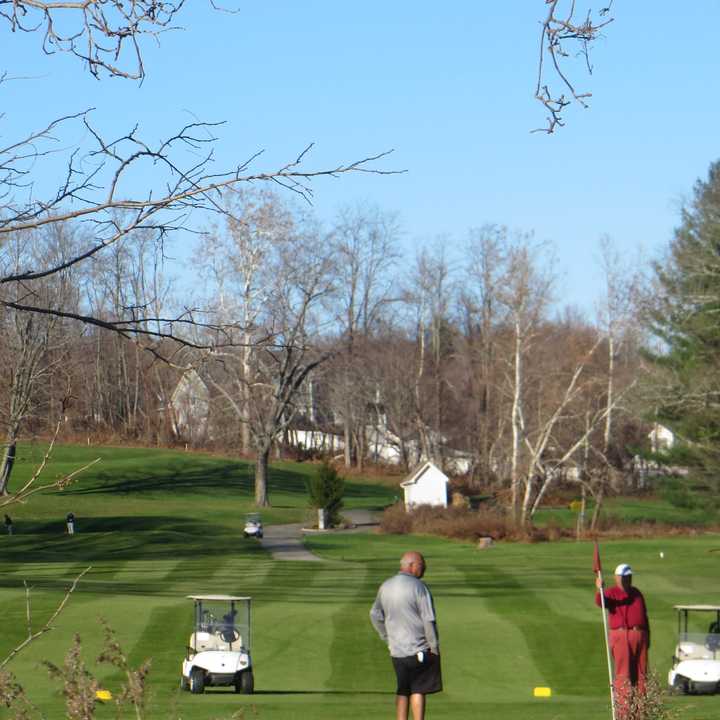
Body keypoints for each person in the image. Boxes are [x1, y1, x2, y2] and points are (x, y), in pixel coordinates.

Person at [370, 551, 442, 720]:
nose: (424, 568)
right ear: (411, 565)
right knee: (418, 688)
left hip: (396, 650)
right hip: (420, 651)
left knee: (403, 688)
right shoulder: (419, 587)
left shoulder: (386, 585)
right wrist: (434, 647)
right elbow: (428, 619)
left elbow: (374, 614)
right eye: (421, 564)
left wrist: (387, 637)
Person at [595, 563, 650, 715]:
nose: (627, 579)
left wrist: (647, 636)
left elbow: (644, 616)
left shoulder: (637, 593)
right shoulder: (611, 592)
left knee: (641, 675)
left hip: (640, 635)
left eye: (629, 576)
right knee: (624, 675)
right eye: (624, 577)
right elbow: (601, 602)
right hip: (621, 636)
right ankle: (624, 714)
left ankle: (641, 713)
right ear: (617, 577)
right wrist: (600, 589)